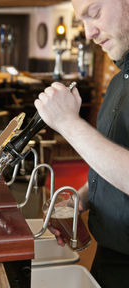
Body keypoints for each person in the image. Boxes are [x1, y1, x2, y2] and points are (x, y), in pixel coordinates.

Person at [34, 0, 129, 287]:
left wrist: (67, 123)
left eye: (95, 12)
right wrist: (81, 199)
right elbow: (114, 162)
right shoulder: (118, 81)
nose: (88, 33)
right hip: (109, 256)